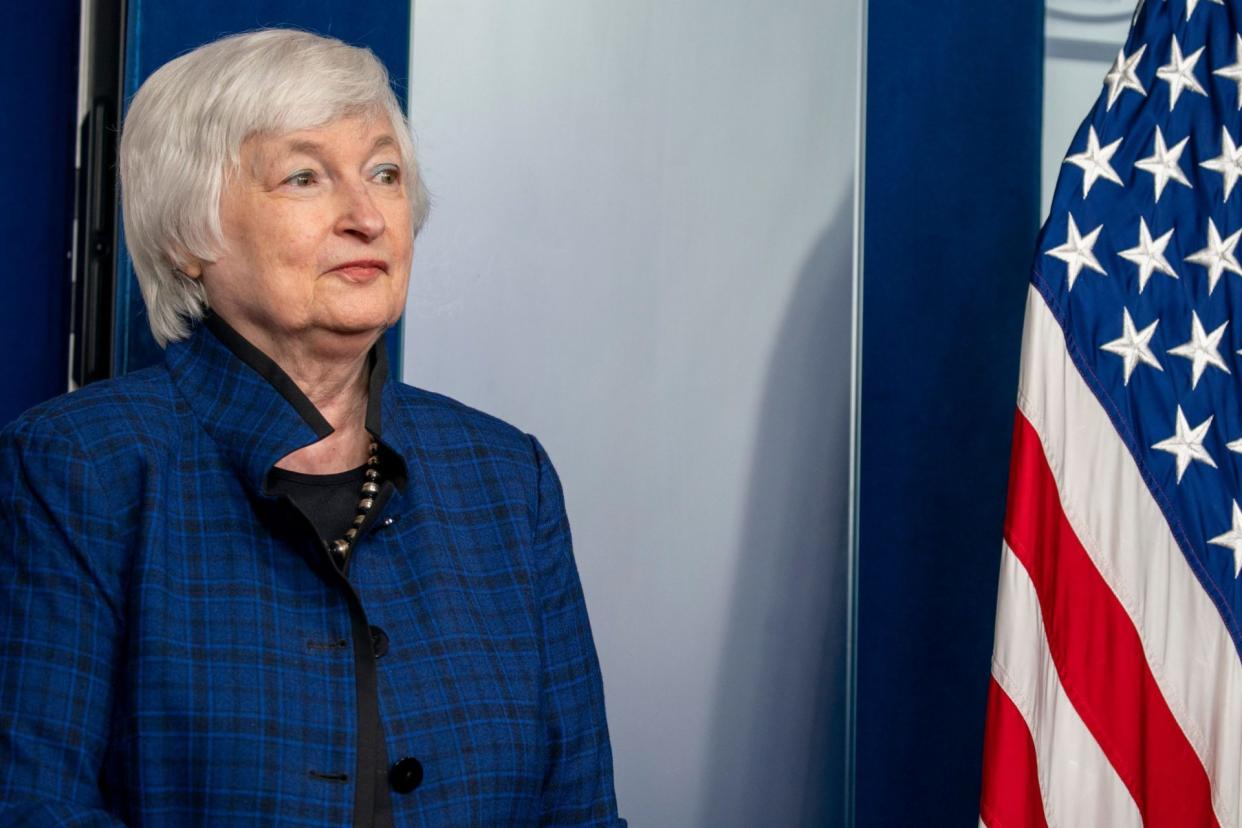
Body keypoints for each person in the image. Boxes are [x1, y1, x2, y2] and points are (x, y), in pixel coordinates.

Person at [0, 28, 625, 827]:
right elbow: (34, 809)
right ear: (190, 237)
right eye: (304, 177)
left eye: (384, 174)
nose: (366, 216)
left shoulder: (508, 476)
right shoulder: (80, 466)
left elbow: (580, 811)